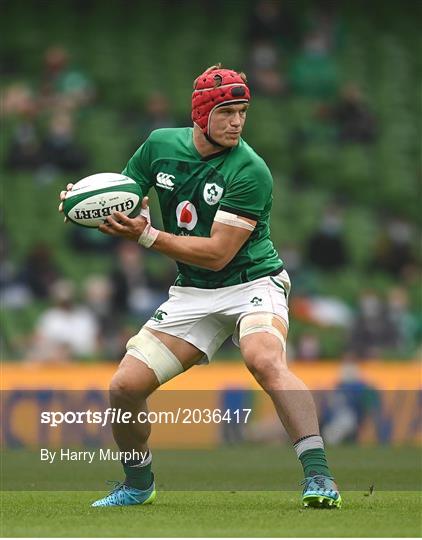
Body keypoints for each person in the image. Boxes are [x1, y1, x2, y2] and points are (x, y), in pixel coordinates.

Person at [59, 63, 341, 509]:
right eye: (227, 111)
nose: (237, 121)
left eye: (243, 111)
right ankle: (137, 483)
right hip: (193, 292)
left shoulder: (251, 170)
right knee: (124, 387)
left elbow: (218, 253)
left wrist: (146, 236)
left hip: (253, 282)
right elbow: (127, 197)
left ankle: (319, 477)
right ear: (202, 113)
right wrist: (86, 202)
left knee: (264, 359)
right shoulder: (159, 146)